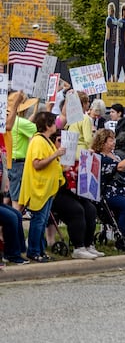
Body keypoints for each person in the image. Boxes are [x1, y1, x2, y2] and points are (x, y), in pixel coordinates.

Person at [20, 111, 67, 262]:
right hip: (39, 188)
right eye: (53, 122)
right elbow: (37, 164)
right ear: (47, 125)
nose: (56, 125)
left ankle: (40, 250)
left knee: (43, 220)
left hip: (47, 189)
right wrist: (55, 155)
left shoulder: (45, 140)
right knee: (38, 220)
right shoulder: (38, 141)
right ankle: (33, 251)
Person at [50, 130, 102, 259]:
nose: (62, 144)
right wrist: (62, 170)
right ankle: (78, 247)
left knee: (91, 209)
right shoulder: (52, 156)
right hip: (57, 193)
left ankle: (88, 244)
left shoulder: (72, 157)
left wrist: (84, 165)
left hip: (73, 193)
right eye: (59, 140)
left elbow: (83, 177)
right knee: (76, 210)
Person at [7, 92, 38, 211]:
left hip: (9, 161)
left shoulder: (8, 121)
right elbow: (40, 128)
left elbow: (27, 123)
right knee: (17, 200)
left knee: (7, 198)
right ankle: (16, 225)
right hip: (18, 164)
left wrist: (35, 110)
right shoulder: (22, 123)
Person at [67, 92, 95, 158]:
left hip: (69, 152)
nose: (89, 104)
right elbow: (88, 139)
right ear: (83, 104)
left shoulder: (70, 116)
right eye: (87, 102)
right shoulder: (85, 118)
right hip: (81, 152)